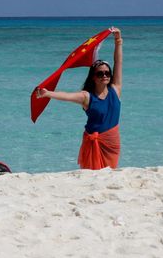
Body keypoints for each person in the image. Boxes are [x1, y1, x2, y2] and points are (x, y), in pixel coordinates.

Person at [34, 28, 123, 169]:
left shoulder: (115, 89)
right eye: (100, 74)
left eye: (107, 73)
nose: (105, 76)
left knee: (111, 171)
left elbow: (118, 63)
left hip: (112, 142)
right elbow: (67, 96)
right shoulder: (87, 96)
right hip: (94, 141)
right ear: (93, 77)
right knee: (93, 176)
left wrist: (118, 41)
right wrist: (48, 93)